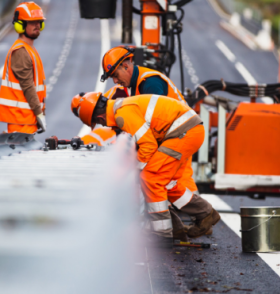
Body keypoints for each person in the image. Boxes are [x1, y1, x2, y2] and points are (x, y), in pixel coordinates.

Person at [73, 92, 220, 246]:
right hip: (187, 130)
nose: (103, 125)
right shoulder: (121, 108)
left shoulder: (122, 115)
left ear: (99, 118)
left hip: (184, 132)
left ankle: (162, 234)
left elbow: (148, 145)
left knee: (151, 178)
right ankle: (205, 214)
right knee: (165, 182)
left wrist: (136, 169)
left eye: (100, 123)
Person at [101, 46, 204, 239]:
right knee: (165, 179)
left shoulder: (149, 83)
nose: (115, 81)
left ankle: (195, 220)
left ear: (126, 65)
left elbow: (160, 119)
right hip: (176, 135)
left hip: (178, 135)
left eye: (115, 75)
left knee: (164, 178)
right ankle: (190, 221)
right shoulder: (136, 84)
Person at [0, 2, 47, 134]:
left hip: (27, 120)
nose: (37, 25)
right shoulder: (20, 51)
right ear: (20, 25)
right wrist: (39, 113)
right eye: (32, 22)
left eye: (39, 22)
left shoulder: (29, 49)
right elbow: (28, 86)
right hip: (21, 122)